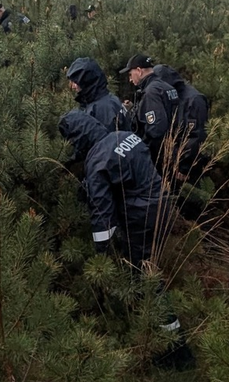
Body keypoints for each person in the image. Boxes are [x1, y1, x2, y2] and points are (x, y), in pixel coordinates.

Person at [58, 110, 195, 369]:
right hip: (161, 205)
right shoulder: (124, 135)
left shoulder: (97, 161)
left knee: (147, 280)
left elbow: (102, 216)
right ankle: (161, 334)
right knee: (148, 273)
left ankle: (176, 350)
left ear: (76, 139)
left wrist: (102, 256)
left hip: (141, 219)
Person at [120, 54, 179, 176]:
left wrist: (144, 154)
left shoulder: (151, 92)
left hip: (159, 157)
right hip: (174, 149)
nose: (130, 79)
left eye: (130, 75)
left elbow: (156, 129)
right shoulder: (166, 87)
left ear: (139, 71)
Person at [153, 64, 209, 180]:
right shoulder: (171, 97)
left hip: (189, 167)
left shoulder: (193, 100)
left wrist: (185, 167)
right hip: (173, 162)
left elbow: (196, 136)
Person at [66, 57, 130, 132]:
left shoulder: (102, 108)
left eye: (76, 82)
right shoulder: (107, 100)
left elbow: (107, 140)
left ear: (86, 80)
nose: (73, 87)